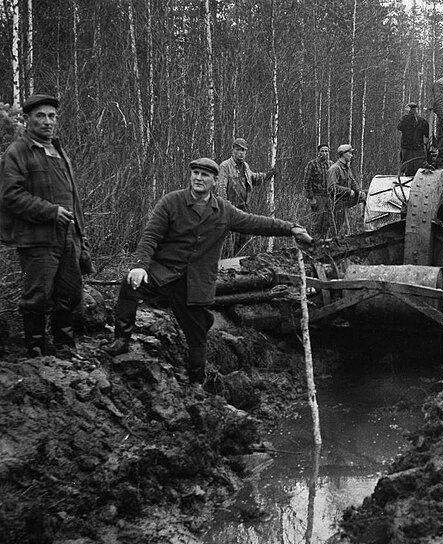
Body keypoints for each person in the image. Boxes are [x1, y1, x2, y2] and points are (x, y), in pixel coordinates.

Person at [105, 158, 312, 386]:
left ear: (215, 181)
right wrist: (139, 266)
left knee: (197, 334)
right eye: (195, 173)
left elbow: (257, 223)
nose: (198, 178)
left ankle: (196, 382)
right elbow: (150, 236)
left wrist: (291, 228)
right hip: (163, 273)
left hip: (195, 282)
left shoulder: (224, 211)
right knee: (129, 284)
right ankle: (121, 340)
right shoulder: (171, 202)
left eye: (205, 175)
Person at [0, 93, 92, 357]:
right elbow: (10, 196)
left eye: (52, 116)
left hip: (68, 237)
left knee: (70, 294)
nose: (47, 121)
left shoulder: (60, 151)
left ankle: (64, 347)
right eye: (40, 116)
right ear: (27, 120)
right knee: (38, 296)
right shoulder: (18, 151)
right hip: (37, 238)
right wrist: (50, 211)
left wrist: (81, 235)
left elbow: (73, 198)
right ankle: (36, 351)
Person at [217, 138, 275, 256]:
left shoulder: (245, 166)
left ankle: (235, 256)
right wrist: (224, 206)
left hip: (243, 206)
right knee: (228, 237)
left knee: (244, 234)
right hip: (230, 206)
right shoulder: (225, 166)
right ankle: (225, 259)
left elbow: (253, 178)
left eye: (243, 150)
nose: (241, 153)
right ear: (233, 150)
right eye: (238, 150)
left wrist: (266, 176)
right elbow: (221, 187)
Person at [328, 144, 366, 236]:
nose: (351, 155)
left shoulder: (346, 168)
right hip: (337, 203)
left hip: (346, 200)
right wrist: (348, 191)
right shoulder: (335, 169)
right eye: (349, 153)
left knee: (369, 193)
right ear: (343, 154)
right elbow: (332, 187)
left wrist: (359, 192)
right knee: (340, 229)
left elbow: (352, 182)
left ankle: (363, 223)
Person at [302, 143, 332, 238]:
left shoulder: (331, 164)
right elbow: (307, 182)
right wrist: (311, 198)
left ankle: (324, 243)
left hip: (329, 197)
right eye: (322, 151)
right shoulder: (312, 164)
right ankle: (313, 243)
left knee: (327, 222)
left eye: (326, 151)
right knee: (316, 223)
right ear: (318, 152)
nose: (324, 153)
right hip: (317, 197)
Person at [397, 102, 429, 176]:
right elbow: (427, 134)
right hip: (411, 150)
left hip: (413, 150)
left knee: (413, 170)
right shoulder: (421, 121)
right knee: (415, 170)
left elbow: (399, 126)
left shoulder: (419, 121)